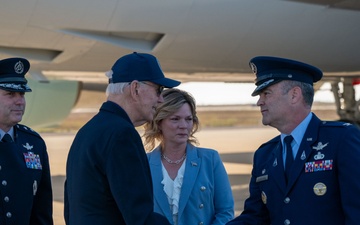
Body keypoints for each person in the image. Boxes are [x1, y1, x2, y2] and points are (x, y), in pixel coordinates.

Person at [227, 56, 360, 225]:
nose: (259, 102)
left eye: (266, 93)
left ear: (294, 95)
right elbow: (256, 217)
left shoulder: (341, 140)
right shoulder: (264, 154)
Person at [64, 52, 181, 225]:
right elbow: (139, 217)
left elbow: (72, 209)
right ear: (135, 89)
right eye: (158, 90)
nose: (161, 99)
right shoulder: (122, 135)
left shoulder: (88, 131)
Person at [143, 88, 234, 225]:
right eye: (175, 119)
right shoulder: (143, 163)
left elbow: (225, 212)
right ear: (159, 122)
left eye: (188, 119)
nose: (183, 126)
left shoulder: (210, 159)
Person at [0, 57, 53, 225]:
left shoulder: (34, 144)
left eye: (22, 94)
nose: (19, 101)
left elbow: (41, 210)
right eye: (10, 94)